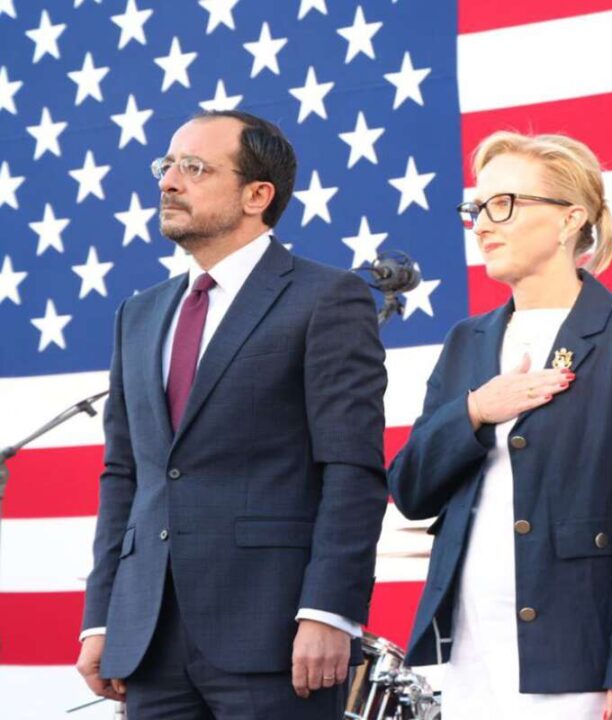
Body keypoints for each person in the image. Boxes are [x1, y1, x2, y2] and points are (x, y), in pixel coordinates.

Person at [387, 131, 612, 720]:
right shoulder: (467, 341)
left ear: (569, 219)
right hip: (470, 656)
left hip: (580, 659)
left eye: (503, 204)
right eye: (477, 208)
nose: (482, 224)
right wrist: (475, 411)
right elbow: (410, 489)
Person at [74, 110, 388, 719]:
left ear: (257, 195)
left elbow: (351, 468)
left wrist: (329, 611)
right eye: (167, 166)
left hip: (274, 634)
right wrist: (102, 616)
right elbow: (125, 475)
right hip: (148, 639)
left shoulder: (326, 297)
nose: (169, 182)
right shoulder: (138, 314)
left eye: (195, 168)